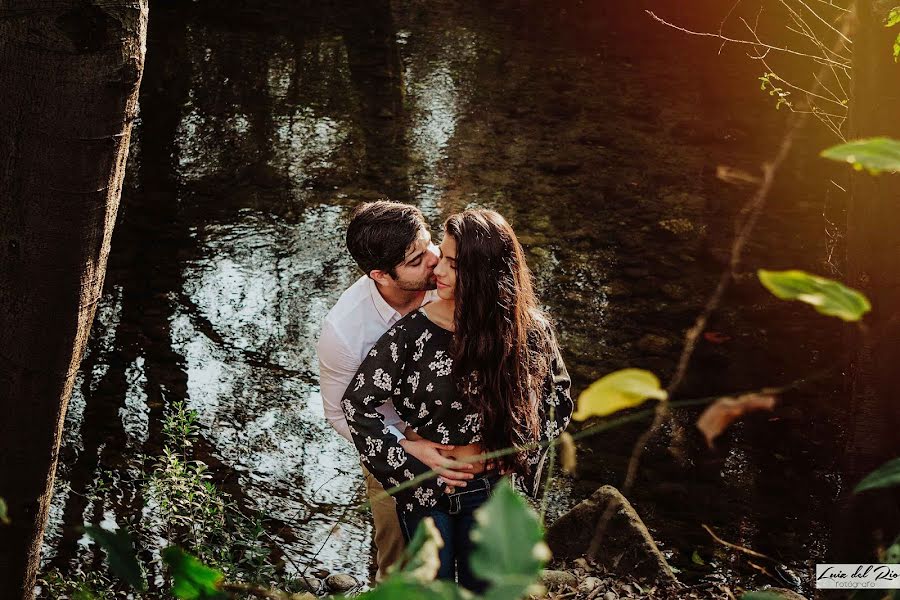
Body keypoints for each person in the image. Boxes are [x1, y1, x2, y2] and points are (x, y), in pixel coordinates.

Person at [341, 208, 573, 591]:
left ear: (486, 272)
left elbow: (557, 397)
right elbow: (357, 405)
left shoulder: (527, 330)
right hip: (423, 491)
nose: (439, 271)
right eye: (441, 257)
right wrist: (406, 458)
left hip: (489, 490)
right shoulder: (410, 335)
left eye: (452, 262)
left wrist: (517, 452)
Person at [317, 201, 476, 582]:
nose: (435, 262)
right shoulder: (343, 333)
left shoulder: (452, 283)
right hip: (389, 444)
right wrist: (406, 445)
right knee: (400, 562)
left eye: (430, 244)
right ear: (381, 275)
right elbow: (340, 413)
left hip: (466, 438)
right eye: (417, 259)